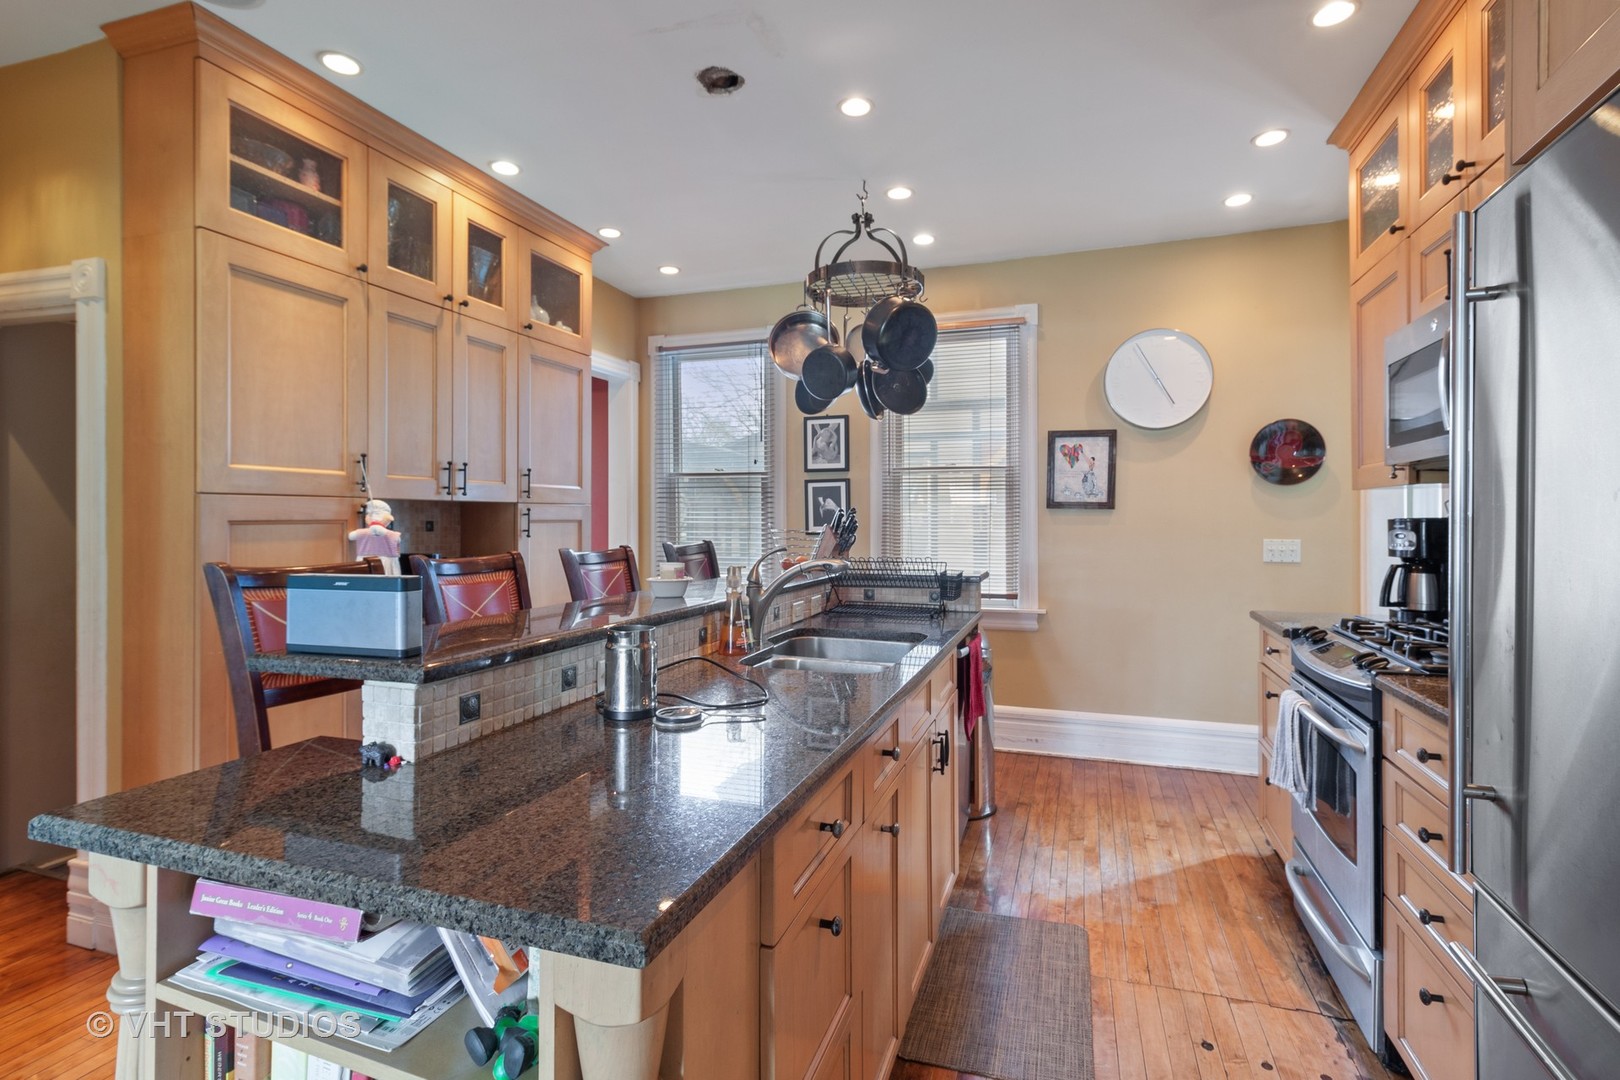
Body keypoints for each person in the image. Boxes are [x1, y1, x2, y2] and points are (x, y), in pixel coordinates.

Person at [349, 499, 402, 574]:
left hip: (365, 564)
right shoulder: (392, 535)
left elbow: (350, 536)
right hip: (385, 566)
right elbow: (397, 540)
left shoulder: (362, 533)